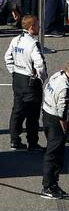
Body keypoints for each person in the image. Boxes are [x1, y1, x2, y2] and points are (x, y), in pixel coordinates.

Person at [41, 59, 69, 199]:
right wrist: (66, 131)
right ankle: (48, 187)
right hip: (55, 121)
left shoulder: (56, 75)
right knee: (54, 155)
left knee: (54, 153)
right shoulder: (64, 88)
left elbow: (46, 90)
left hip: (46, 114)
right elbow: (62, 114)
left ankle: (53, 184)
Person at [5, 12, 46, 149]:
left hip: (17, 79)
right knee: (33, 114)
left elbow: (7, 57)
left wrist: (14, 71)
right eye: (38, 25)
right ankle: (32, 143)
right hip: (30, 81)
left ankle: (14, 140)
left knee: (17, 110)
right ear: (31, 27)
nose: (39, 28)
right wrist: (41, 78)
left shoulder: (15, 39)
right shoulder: (33, 43)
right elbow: (39, 64)